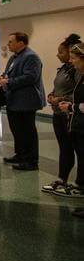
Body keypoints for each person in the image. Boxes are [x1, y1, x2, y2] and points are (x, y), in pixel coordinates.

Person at [0, 32, 46, 171]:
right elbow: (9, 73)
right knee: (17, 130)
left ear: (21, 43)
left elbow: (30, 77)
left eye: (11, 41)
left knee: (27, 131)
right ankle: (20, 155)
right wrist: (1, 78)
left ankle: (31, 161)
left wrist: (8, 81)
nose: (8, 44)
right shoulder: (14, 57)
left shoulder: (31, 57)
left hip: (26, 101)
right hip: (13, 100)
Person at [43, 34, 80, 195]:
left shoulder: (78, 72)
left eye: (61, 52)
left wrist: (62, 99)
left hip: (71, 115)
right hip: (59, 113)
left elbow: (78, 94)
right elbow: (59, 87)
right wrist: (52, 96)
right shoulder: (64, 68)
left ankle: (79, 185)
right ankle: (62, 179)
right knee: (64, 148)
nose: (58, 55)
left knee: (77, 150)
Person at [57, 42, 84, 215]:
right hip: (79, 124)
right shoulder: (81, 76)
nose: (72, 62)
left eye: (74, 58)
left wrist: (72, 108)